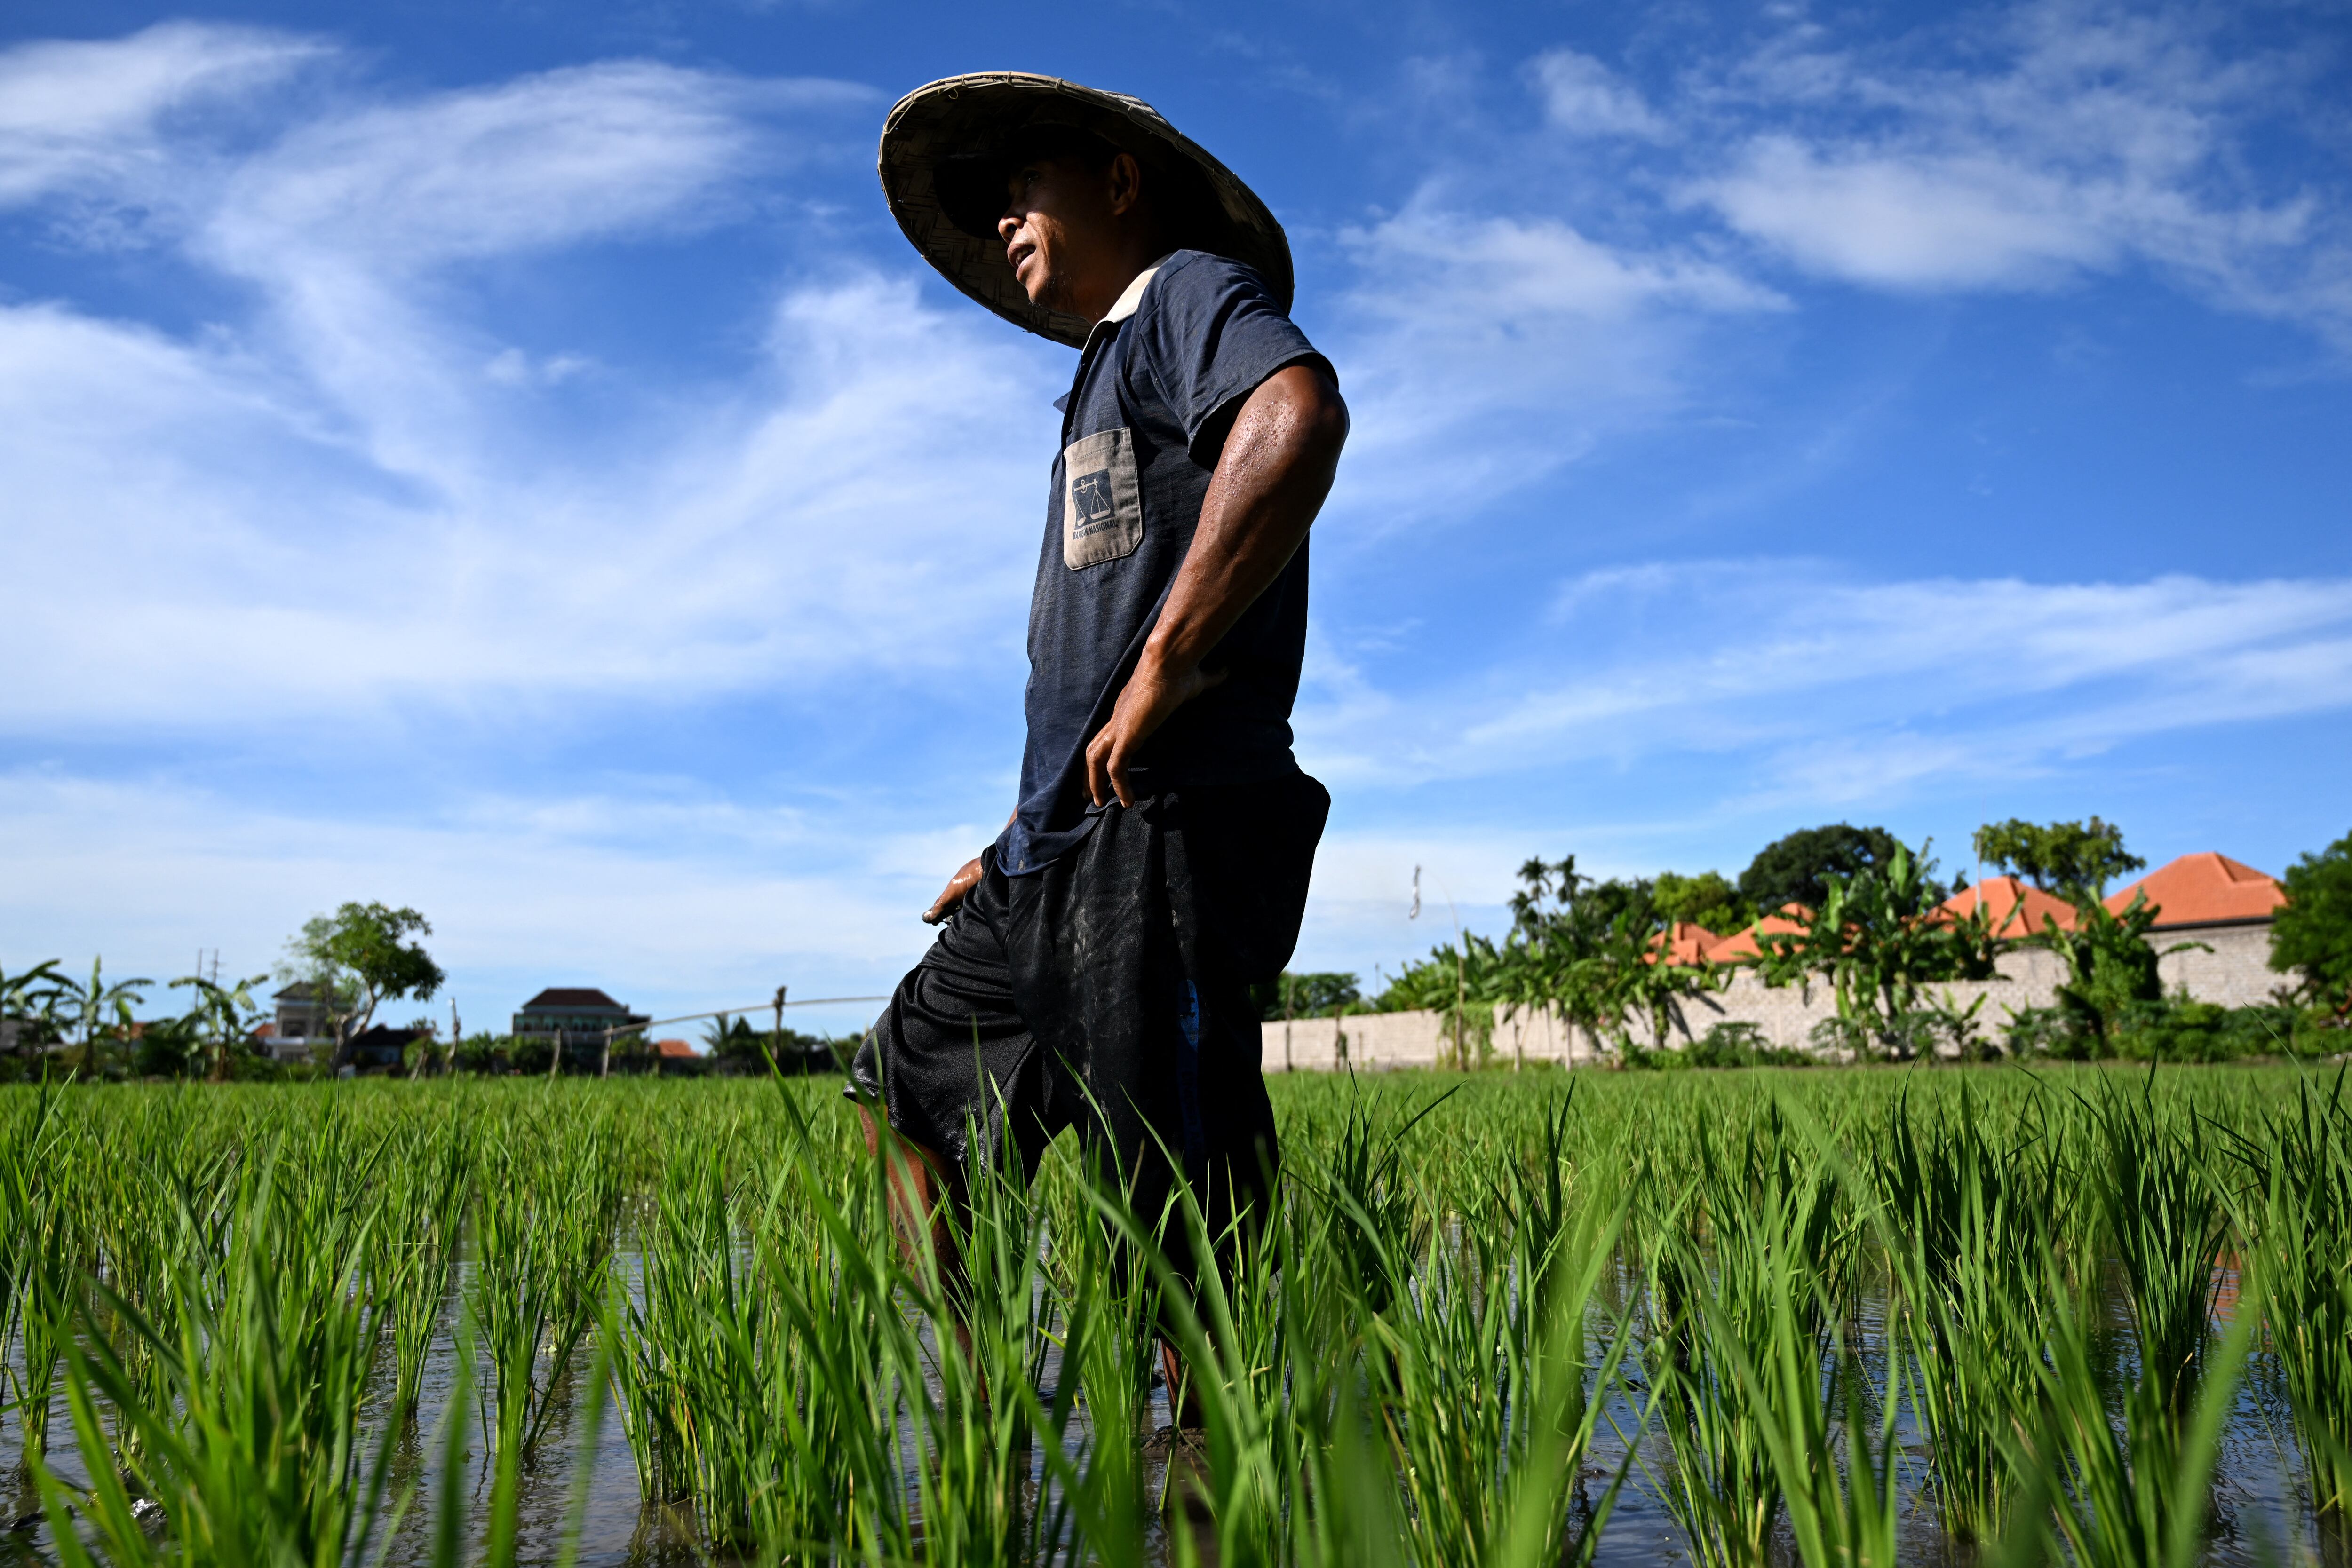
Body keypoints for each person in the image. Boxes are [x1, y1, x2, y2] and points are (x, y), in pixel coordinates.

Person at [858, 73, 1348, 1408]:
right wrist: (1010, 838)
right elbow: (1087, 672)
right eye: (993, 203)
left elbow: (1297, 415)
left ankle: (1215, 1479)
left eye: (1026, 184)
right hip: (1059, 849)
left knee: (1179, 1188)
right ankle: (980, 1407)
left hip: (1169, 826)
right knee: (904, 1084)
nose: (1007, 217)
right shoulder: (1100, 379)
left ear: (1119, 185)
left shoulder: (1187, 293)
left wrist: (1178, 663)